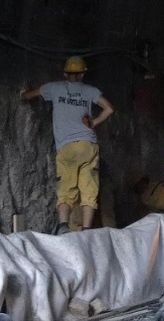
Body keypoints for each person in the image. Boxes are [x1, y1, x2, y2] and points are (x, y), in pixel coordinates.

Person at [21, 56, 114, 235]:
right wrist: (94, 122)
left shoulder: (54, 88)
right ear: (82, 74)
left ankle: (63, 226)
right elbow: (109, 108)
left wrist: (23, 93)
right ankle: (87, 229)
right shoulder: (90, 90)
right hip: (88, 145)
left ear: (65, 73)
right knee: (89, 189)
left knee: (66, 189)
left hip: (66, 147)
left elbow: (28, 95)